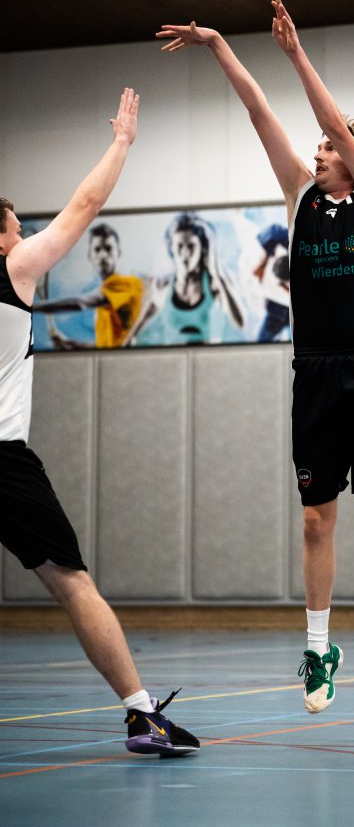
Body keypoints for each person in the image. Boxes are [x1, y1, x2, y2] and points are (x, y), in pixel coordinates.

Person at [157, 0, 354, 714]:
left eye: (329, 148)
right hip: (315, 374)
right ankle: (318, 649)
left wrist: (296, 56)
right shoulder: (299, 199)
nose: (318, 150)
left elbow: (337, 123)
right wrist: (218, 45)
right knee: (315, 519)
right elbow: (256, 114)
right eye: (317, 147)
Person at [0, 88, 199, 757]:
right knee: (71, 584)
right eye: (16, 229)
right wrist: (120, 144)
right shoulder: (14, 271)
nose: (25, 238)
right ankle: (142, 715)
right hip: (4, 461)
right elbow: (83, 207)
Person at [130, 210, 244, 345]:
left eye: (191, 246)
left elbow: (240, 322)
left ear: (203, 248)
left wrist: (216, 269)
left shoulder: (215, 282)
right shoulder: (164, 285)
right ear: (171, 248)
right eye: (179, 246)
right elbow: (136, 330)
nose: (185, 253)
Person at [34, 221, 146, 349]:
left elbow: (81, 303)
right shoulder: (104, 304)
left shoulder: (126, 284)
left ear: (118, 252)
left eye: (108, 248)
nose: (103, 255)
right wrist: (69, 343)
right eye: (97, 249)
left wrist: (33, 307)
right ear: (90, 256)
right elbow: (105, 348)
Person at [252, 222, 290, 342]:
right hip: (276, 311)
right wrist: (264, 260)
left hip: (294, 313)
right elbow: (274, 230)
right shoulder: (289, 244)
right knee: (262, 343)